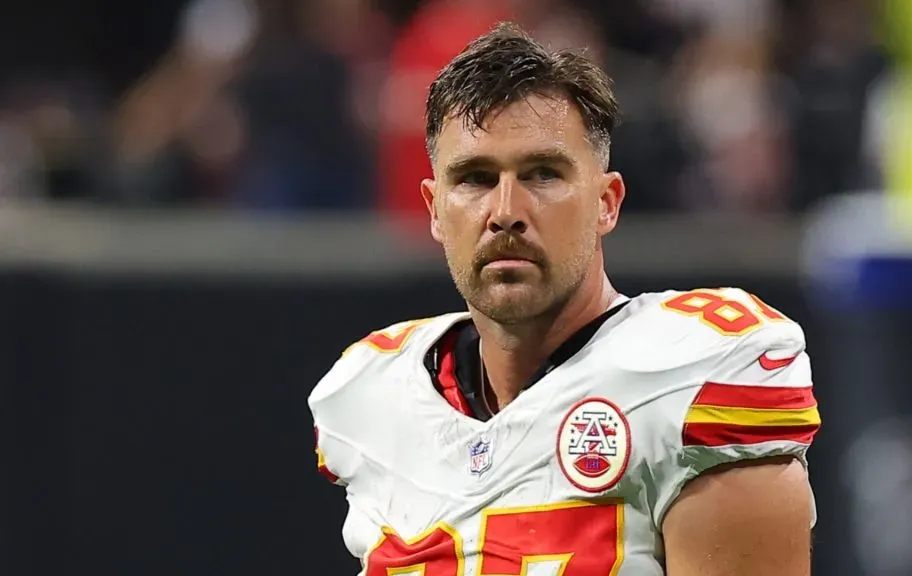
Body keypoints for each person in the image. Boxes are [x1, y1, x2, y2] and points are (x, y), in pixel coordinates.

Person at [309, 22, 820, 575]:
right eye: (476, 179)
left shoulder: (696, 372)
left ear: (607, 202)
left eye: (543, 174)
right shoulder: (371, 394)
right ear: (434, 209)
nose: (505, 210)